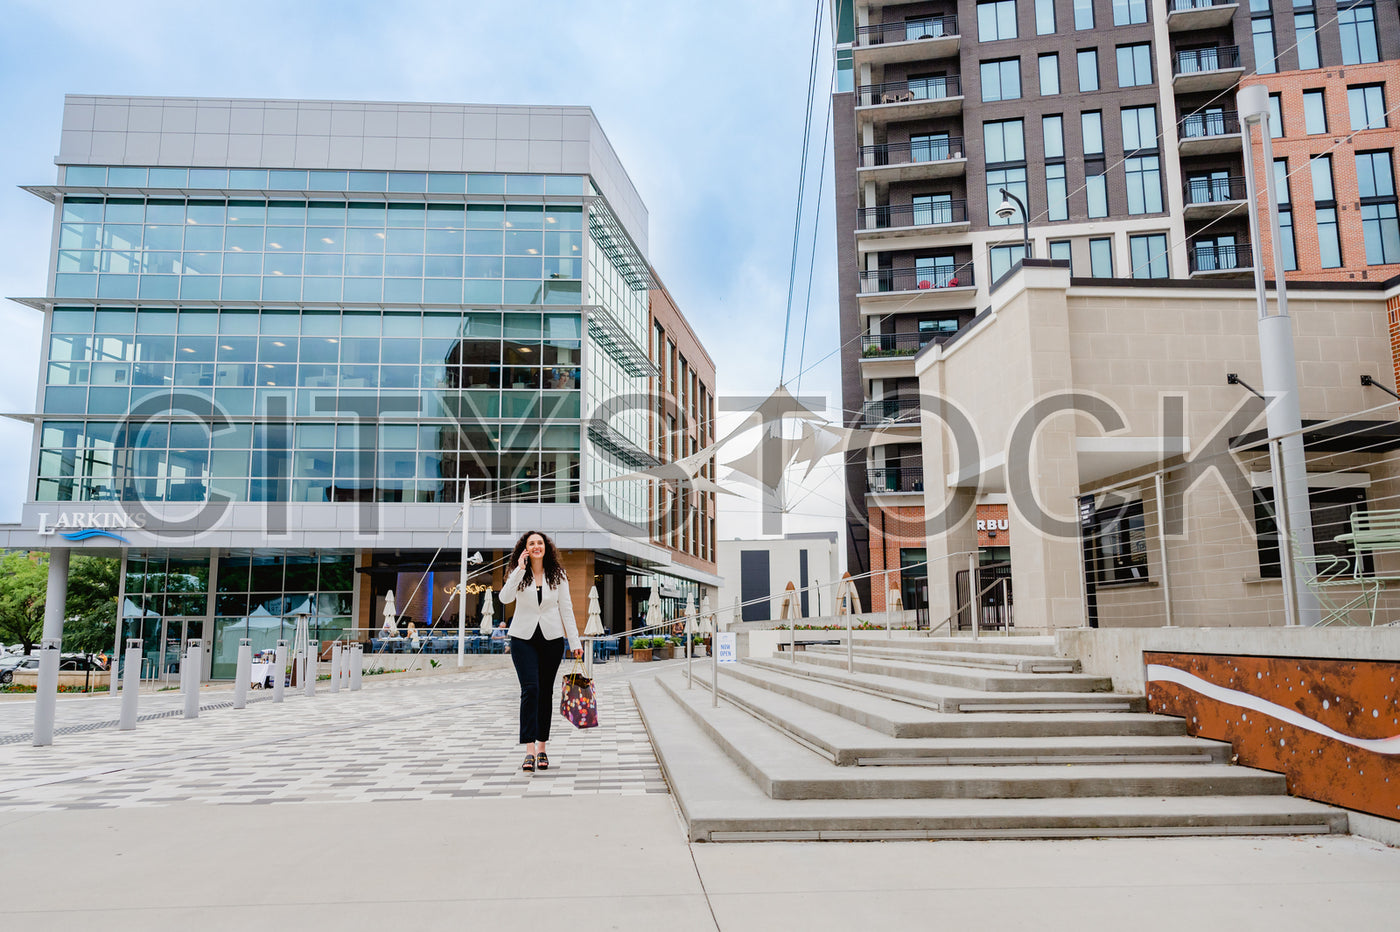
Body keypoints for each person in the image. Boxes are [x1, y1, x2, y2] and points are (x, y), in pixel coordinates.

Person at [499, 530, 583, 773]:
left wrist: (575, 643)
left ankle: (542, 747)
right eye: (531, 543)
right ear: (524, 548)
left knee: (545, 691)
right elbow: (504, 599)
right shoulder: (519, 573)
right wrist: (518, 568)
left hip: (551, 639)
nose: (536, 546)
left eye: (540, 543)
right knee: (530, 689)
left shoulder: (559, 575)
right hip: (522, 638)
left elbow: (566, 609)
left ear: (546, 547)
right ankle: (528, 750)